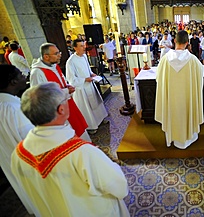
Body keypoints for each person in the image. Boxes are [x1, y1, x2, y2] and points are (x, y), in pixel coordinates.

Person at [11, 82, 130, 217]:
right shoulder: (81, 152)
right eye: (65, 98)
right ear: (61, 109)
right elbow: (118, 186)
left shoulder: (19, 153)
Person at [30, 42, 91, 142]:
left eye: (59, 52)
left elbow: (61, 81)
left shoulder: (54, 65)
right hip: (56, 110)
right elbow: (41, 96)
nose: (59, 55)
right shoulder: (37, 72)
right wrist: (66, 91)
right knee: (69, 136)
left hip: (67, 103)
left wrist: (66, 85)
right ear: (46, 56)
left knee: (79, 128)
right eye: (56, 53)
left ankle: (86, 148)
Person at [155, 30, 204, 149]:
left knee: (172, 112)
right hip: (187, 100)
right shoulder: (193, 60)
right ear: (187, 43)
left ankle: (173, 137)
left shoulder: (165, 60)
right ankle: (188, 139)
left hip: (171, 101)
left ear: (174, 41)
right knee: (188, 111)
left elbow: (158, 80)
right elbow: (200, 79)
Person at [0, 65, 36, 215]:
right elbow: (34, 143)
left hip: (11, 164)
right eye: (21, 75)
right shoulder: (15, 110)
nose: (24, 76)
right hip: (32, 167)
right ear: (13, 82)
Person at [66, 39, 108, 134]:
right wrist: (84, 80)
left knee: (96, 103)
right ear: (75, 48)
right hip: (81, 89)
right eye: (81, 46)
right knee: (87, 108)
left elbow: (87, 69)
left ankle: (100, 119)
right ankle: (92, 126)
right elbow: (71, 79)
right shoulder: (70, 61)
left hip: (90, 85)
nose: (84, 48)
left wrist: (92, 74)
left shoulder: (84, 56)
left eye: (83, 45)